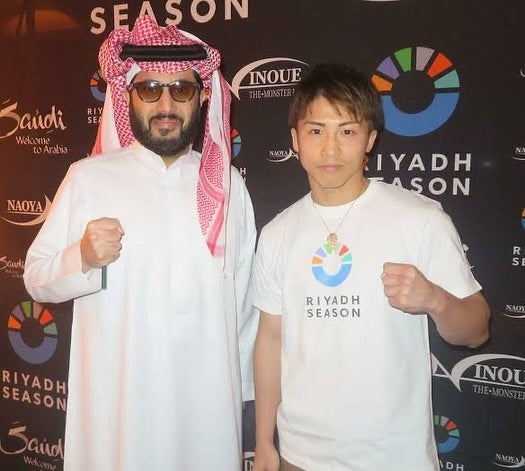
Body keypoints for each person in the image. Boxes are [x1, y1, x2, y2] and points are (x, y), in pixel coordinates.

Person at [23, 15, 257, 471]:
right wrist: (82, 257)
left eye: (181, 89)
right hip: (119, 414)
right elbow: (35, 277)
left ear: (202, 97)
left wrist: (246, 405)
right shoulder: (88, 178)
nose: (166, 104)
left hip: (207, 413)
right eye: (149, 89)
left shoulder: (227, 186)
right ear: (126, 95)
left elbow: (245, 309)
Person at [251, 63, 490, 471]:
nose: (330, 149)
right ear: (295, 140)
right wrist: (263, 442)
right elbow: (270, 340)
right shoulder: (277, 233)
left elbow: (476, 331)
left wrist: (435, 299)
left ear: (370, 139)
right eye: (316, 131)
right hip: (300, 455)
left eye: (347, 131)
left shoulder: (420, 219)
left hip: (394, 456)